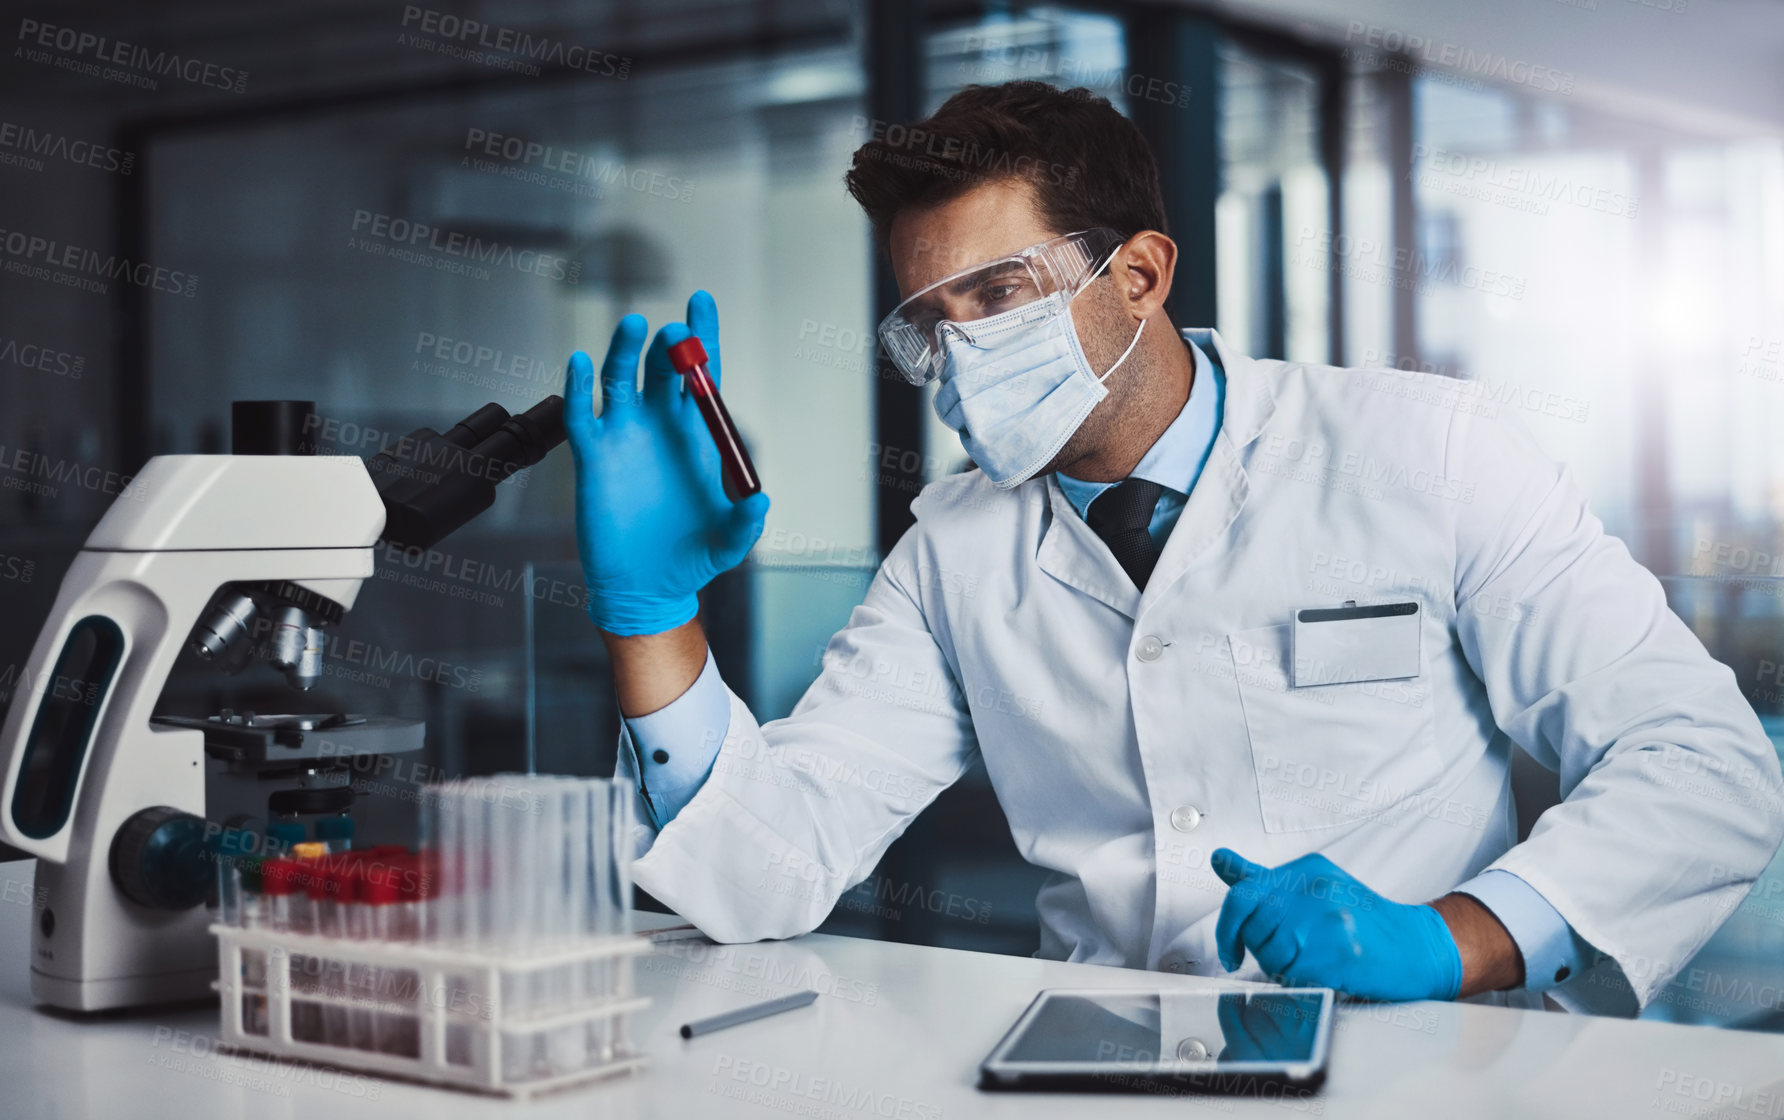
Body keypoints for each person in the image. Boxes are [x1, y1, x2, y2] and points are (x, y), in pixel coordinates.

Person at [562, 81, 1784, 1010]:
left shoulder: (1425, 450)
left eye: (996, 293)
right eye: (931, 321)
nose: (961, 349)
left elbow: (1702, 765)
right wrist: (652, 615)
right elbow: (768, 867)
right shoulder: (952, 551)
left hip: (1423, 1054)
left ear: (1138, 272)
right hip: (1091, 1058)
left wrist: (1455, 933)